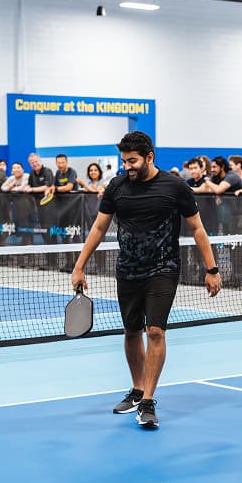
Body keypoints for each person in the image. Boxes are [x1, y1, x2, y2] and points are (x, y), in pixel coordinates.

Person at [71, 131, 221, 430]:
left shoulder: (174, 186)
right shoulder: (117, 186)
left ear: (149, 157)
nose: (128, 166)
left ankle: (149, 400)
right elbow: (99, 228)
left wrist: (212, 269)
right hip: (127, 269)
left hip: (163, 269)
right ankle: (137, 389)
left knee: (155, 332)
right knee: (131, 331)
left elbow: (198, 228)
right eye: (124, 161)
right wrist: (78, 267)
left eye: (133, 160)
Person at [25, 153, 56, 268]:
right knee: (44, 236)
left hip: (50, 210)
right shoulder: (32, 174)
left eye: (36, 161)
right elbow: (28, 187)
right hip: (38, 210)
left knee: (50, 235)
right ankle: (49, 262)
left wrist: (32, 189)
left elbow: (47, 187)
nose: (35, 164)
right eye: (32, 163)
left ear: (40, 161)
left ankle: (53, 262)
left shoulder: (47, 171)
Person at [53, 154, 79, 273]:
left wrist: (56, 189)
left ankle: (78, 265)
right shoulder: (58, 174)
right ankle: (69, 263)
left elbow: (69, 187)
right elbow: (53, 186)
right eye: (58, 163)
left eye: (62, 162)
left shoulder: (72, 172)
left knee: (75, 236)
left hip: (75, 210)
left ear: (66, 162)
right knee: (65, 237)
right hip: (63, 211)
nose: (61, 165)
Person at [2, 162, 33, 247]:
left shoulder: (26, 176)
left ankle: (30, 256)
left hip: (28, 211)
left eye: (18, 167)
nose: (16, 169)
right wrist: (10, 187)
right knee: (18, 233)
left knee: (27, 235)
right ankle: (21, 256)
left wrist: (13, 188)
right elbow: (3, 188)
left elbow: (22, 187)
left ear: (22, 170)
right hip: (15, 211)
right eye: (14, 168)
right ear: (12, 171)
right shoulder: (11, 178)